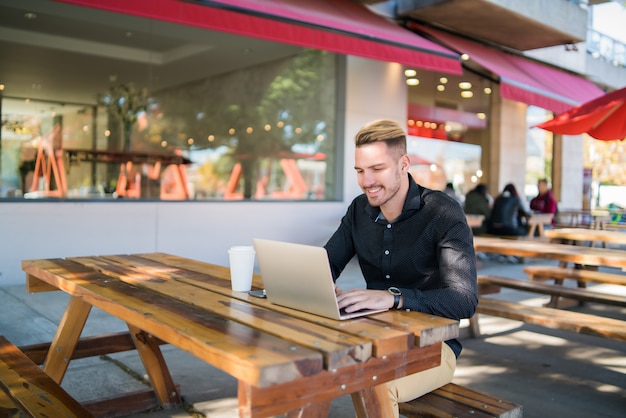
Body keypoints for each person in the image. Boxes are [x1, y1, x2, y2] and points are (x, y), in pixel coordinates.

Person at [324, 119, 478, 417]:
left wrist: (395, 297)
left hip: (434, 348)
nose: (366, 181)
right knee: (312, 369)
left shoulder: (443, 213)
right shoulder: (359, 210)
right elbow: (327, 262)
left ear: (403, 163)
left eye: (377, 169)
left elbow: (464, 300)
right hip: (372, 337)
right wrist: (320, 282)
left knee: (374, 384)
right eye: (360, 170)